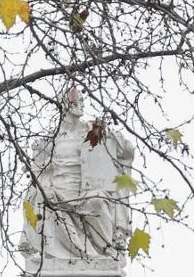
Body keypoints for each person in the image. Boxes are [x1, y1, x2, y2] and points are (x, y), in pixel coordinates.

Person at [21, 88, 135, 266]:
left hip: (87, 191)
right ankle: (56, 255)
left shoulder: (92, 131)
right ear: (63, 104)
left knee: (97, 201)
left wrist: (114, 136)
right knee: (45, 201)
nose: (81, 103)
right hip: (59, 190)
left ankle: (106, 252)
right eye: (76, 100)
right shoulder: (52, 139)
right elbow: (37, 171)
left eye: (82, 99)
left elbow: (127, 151)